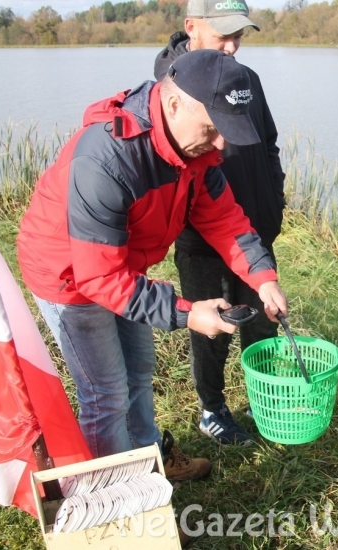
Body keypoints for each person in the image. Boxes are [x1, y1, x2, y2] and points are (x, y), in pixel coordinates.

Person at [17, 49, 289, 481]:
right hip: (69, 276)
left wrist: (263, 277)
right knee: (106, 393)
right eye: (213, 129)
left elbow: (223, 217)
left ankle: (148, 465)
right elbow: (99, 277)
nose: (221, 144)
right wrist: (187, 313)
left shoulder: (196, 151)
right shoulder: (107, 158)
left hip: (123, 267)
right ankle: (124, 503)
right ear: (175, 103)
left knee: (138, 373)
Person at [153, 0, 285, 446]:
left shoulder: (248, 80)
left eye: (239, 35)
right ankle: (212, 409)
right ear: (191, 26)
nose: (231, 46)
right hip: (201, 238)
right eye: (221, 34)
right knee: (212, 324)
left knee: (262, 320)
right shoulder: (172, 84)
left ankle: (264, 398)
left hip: (253, 230)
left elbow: (268, 143)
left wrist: (274, 198)